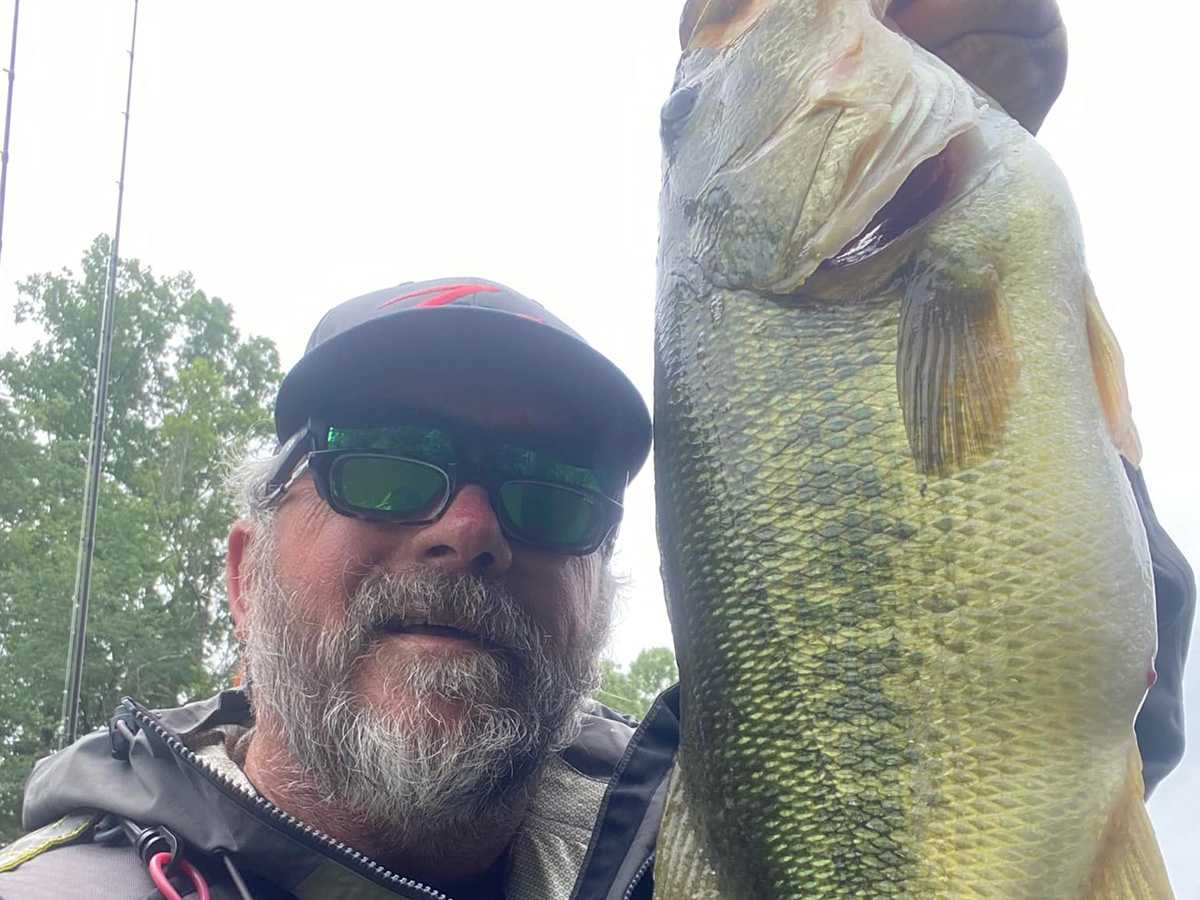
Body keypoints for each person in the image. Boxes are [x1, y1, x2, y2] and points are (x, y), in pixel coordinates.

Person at [0, 278, 1191, 900]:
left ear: (600, 593)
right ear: (247, 570)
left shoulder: (703, 842)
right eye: (385, 465)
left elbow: (1033, 710)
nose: (470, 530)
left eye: (554, 490)